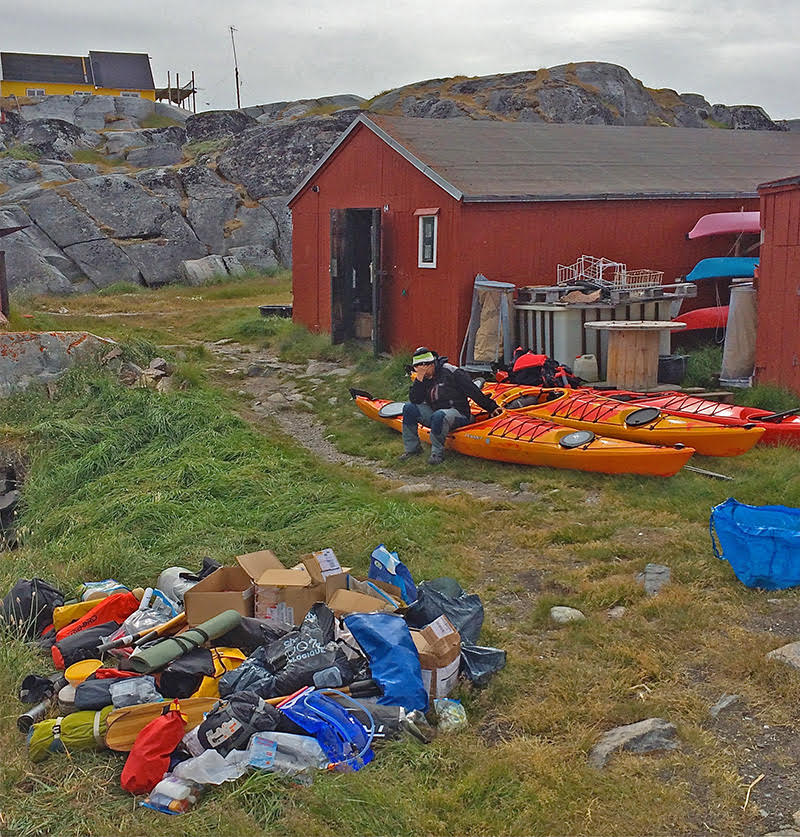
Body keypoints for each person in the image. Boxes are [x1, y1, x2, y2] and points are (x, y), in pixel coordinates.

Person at [400, 347, 502, 465]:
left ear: (429, 364)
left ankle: (436, 454)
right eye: (416, 369)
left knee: (440, 416)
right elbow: (415, 399)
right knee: (408, 408)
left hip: (459, 413)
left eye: (420, 368)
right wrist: (419, 380)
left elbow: (473, 391)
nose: (418, 371)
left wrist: (492, 407)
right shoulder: (422, 377)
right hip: (435, 414)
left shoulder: (452, 372)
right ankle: (412, 450)